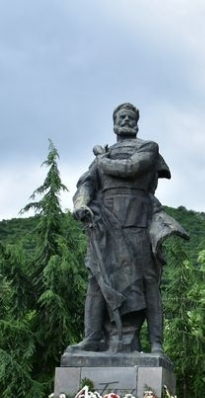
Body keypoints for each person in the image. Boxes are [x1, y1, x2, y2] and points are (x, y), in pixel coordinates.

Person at [70, 102, 187, 354]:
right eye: (121, 117)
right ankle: (92, 338)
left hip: (139, 222)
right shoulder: (103, 157)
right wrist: (81, 204)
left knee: (148, 281)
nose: (125, 120)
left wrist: (101, 158)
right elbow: (86, 184)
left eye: (129, 117)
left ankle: (156, 343)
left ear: (136, 122)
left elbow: (130, 168)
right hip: (104, 224)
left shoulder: (147, 147)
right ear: (114, 122)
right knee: (96, 280)